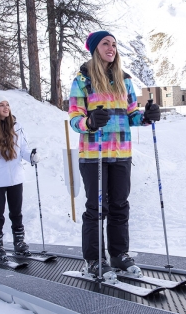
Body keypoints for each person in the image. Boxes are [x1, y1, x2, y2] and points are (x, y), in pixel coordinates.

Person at [69, 31, 161, 277]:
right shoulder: (82, 80)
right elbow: (74, 118)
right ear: (94, 49)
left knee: (120, 205)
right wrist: (89, 122)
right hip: (93, 154)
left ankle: (119, 255)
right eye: (105, 43)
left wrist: (146, 117)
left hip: (121, 152)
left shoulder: (124, 79)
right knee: (96, 207)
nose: (111, 48)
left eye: (114, 44)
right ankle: (94, 259)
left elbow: (131, 115)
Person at [0, 95, 40, 260]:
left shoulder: (17, 126)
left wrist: (31, 157)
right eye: (1, 105)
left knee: (16, 213)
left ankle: (19, 243)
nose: (6, 108)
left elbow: (23, 149)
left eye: (7, 105)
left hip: (15, 178)